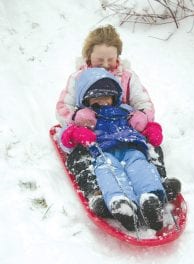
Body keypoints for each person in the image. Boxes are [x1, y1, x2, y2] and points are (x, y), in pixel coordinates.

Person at [56, 24, 181, 217]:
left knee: (147, 149)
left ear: (118, 57)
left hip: (125, 127)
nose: (106, 64)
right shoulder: (78, 78)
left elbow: (143, 102)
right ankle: (96, 192)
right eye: (100, 60)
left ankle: (157, 183)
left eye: (110, 59)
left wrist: (142, 117)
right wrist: (76, 118)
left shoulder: (128, 77)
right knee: (87, 158)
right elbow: (63, 107)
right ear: (88, 57)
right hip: (93, 132)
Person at [60, 68, 166, 231]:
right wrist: (76, 132)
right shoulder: (85, 116)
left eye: (106, 95)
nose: (102, 100)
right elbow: (64, 138)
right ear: (86, 98)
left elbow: (142, 122)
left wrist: (151, 128)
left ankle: (150, 199)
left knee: (140, 166)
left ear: (114, 96)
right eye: (96, 96)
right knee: (108, 171)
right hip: (104, 152)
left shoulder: (126, 110)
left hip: (131, 147)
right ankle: (121, 203)